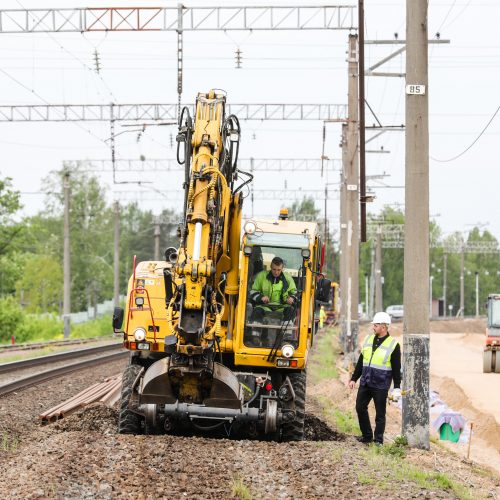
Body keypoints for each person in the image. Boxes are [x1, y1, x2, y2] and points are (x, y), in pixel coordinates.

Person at [348, 311, 401, 445]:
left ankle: (378, 441)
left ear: (383, 327)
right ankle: (367, 437)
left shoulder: (393, 345)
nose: (373, 327)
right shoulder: (368, 340)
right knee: (360, 407)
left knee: (380, 414)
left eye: (376, 325)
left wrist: (396, 388)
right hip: (366, 381)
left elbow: (396, 369)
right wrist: (354, 378)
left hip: (381, 384)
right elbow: (361, 362)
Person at [249, 256, 297, 324]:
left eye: (279, 270)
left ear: (282, 268)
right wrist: (261, 297)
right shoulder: (261, 276)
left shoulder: (288, 278)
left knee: (290, 310)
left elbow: (295, 292)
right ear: (270, 267)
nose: (276, 272)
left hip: (282, 307)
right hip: (264, 306)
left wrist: (292, 298)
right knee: (257, 311)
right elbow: (253, 291)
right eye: (274, 269)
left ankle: (287, 333)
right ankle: (255, 333)